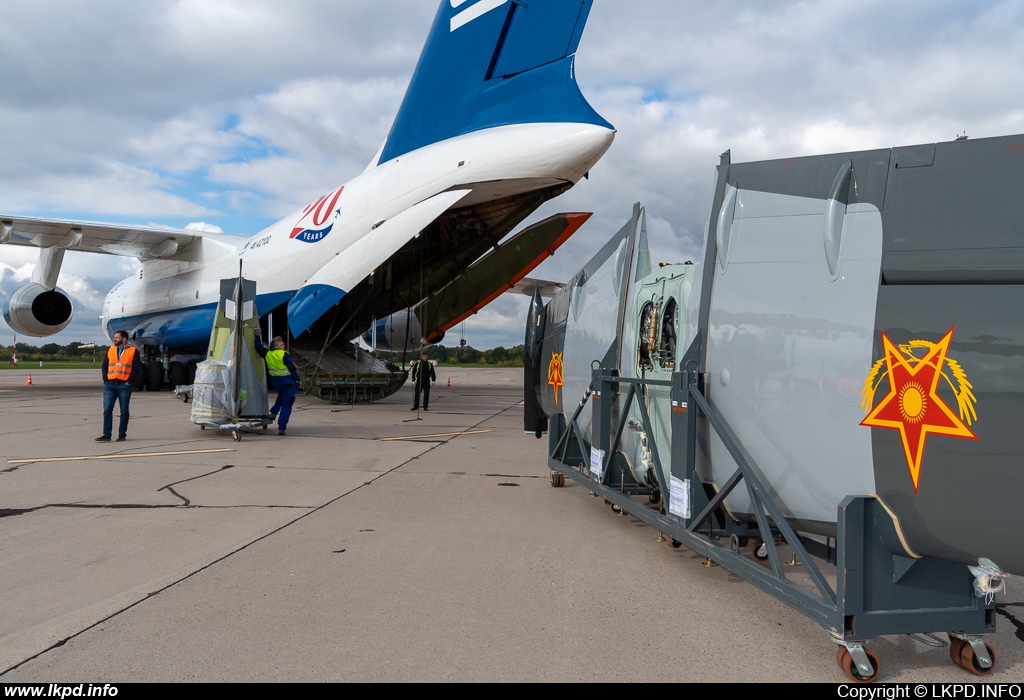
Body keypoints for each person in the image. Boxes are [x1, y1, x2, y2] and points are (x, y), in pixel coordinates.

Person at [254, 328, 301, 435]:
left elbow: (259, 348)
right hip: (288, 383)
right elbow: (292, 368)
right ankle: (282, 427)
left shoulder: (268, 354)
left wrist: (257, 336)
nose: (284, 346)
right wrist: (298, 379)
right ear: (277, 346)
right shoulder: (284, 355)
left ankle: (273, 412)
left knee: (281, 396)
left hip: (277, 384)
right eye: (282, 344)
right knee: (287, 405)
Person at [96, 330, 139, 442]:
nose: (114, 339)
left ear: (124, 339)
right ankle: (106, 434)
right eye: (114, 337)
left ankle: (122, 434)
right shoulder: (110, 349)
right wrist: (105, 380)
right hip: (110, 384)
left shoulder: (133, 351)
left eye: (117, 337)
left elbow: (136, 368)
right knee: (107, 409)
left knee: (124, 410)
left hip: (124, 384)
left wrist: (129, 381)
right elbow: (105, 366)